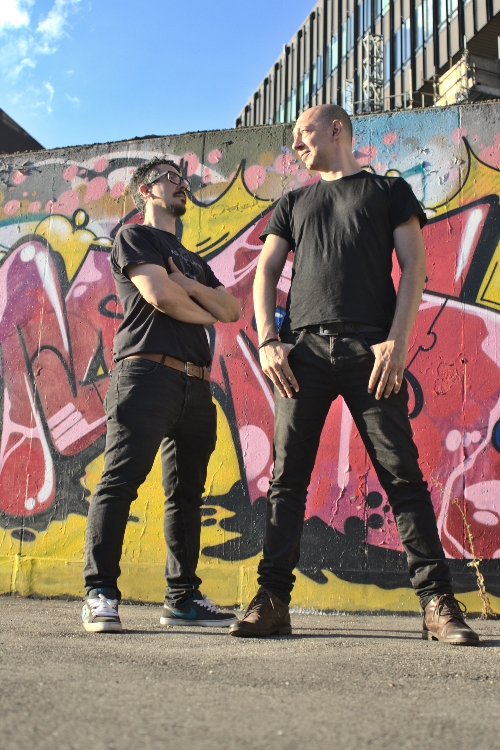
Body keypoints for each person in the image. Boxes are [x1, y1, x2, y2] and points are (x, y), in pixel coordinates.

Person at [229, 105, 479, 646]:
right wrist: (268, 341)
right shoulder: (292, 203)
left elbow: (415, 267)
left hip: (371, 351)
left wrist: (398, 340)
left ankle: (437, 603)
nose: (297, 143)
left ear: (336, 129)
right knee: (287, 481)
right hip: (303, 354)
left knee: (402, 477)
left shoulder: (387, 191)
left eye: (304, 131)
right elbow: (265, 271)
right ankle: (272, 601)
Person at [82, 158, 240, 632]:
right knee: (120, 482)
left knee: (187, 496)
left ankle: (182, 599)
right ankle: (100, 594)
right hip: (146, 375)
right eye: (170, 178)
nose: (181, 184)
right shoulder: (135, 237)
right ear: (146, 191)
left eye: (182, 178)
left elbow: (231, 308)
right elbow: (159, 296)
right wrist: (202, 307)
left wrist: (188, 283)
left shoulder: (193, 261)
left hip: (196, 384)